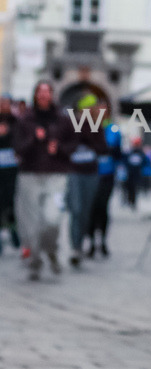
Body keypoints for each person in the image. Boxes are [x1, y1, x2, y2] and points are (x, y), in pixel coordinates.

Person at [13, 81, 77, 279]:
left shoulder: (63, 119)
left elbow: (73, 144)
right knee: (30, 222)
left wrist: (58, 149)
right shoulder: (25, 120)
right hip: (30, 174)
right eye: (40, 91)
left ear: (52, 95)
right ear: (35, 95)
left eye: (46, 91)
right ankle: (34, 260)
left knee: (52, 218)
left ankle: (51, 249)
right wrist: (34, 138)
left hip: (56, 174)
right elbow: (18, 148)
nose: (43, 95)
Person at [65, 93, 107, 267]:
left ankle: (80, 243)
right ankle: (75, 247)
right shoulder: (69, 125)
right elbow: (65, 145)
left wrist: (89, 140)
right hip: (73, 171)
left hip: (91, 172)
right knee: (76, 209)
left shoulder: (97, 126)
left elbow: (103, 148)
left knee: (85, 212)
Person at [86, 104, 122, 257]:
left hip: (107, 174)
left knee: (103, 207)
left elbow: (117, 151)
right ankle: (92, 241)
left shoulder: (113, 130)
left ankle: (103, 241)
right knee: (91, 209)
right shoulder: (88, 129)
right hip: (91, 174)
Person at [0, 95, 20, 253]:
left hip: (12, 169)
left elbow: (21, 141)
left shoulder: (16, 121)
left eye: (5, 103)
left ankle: (14, 229)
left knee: (12, 200)